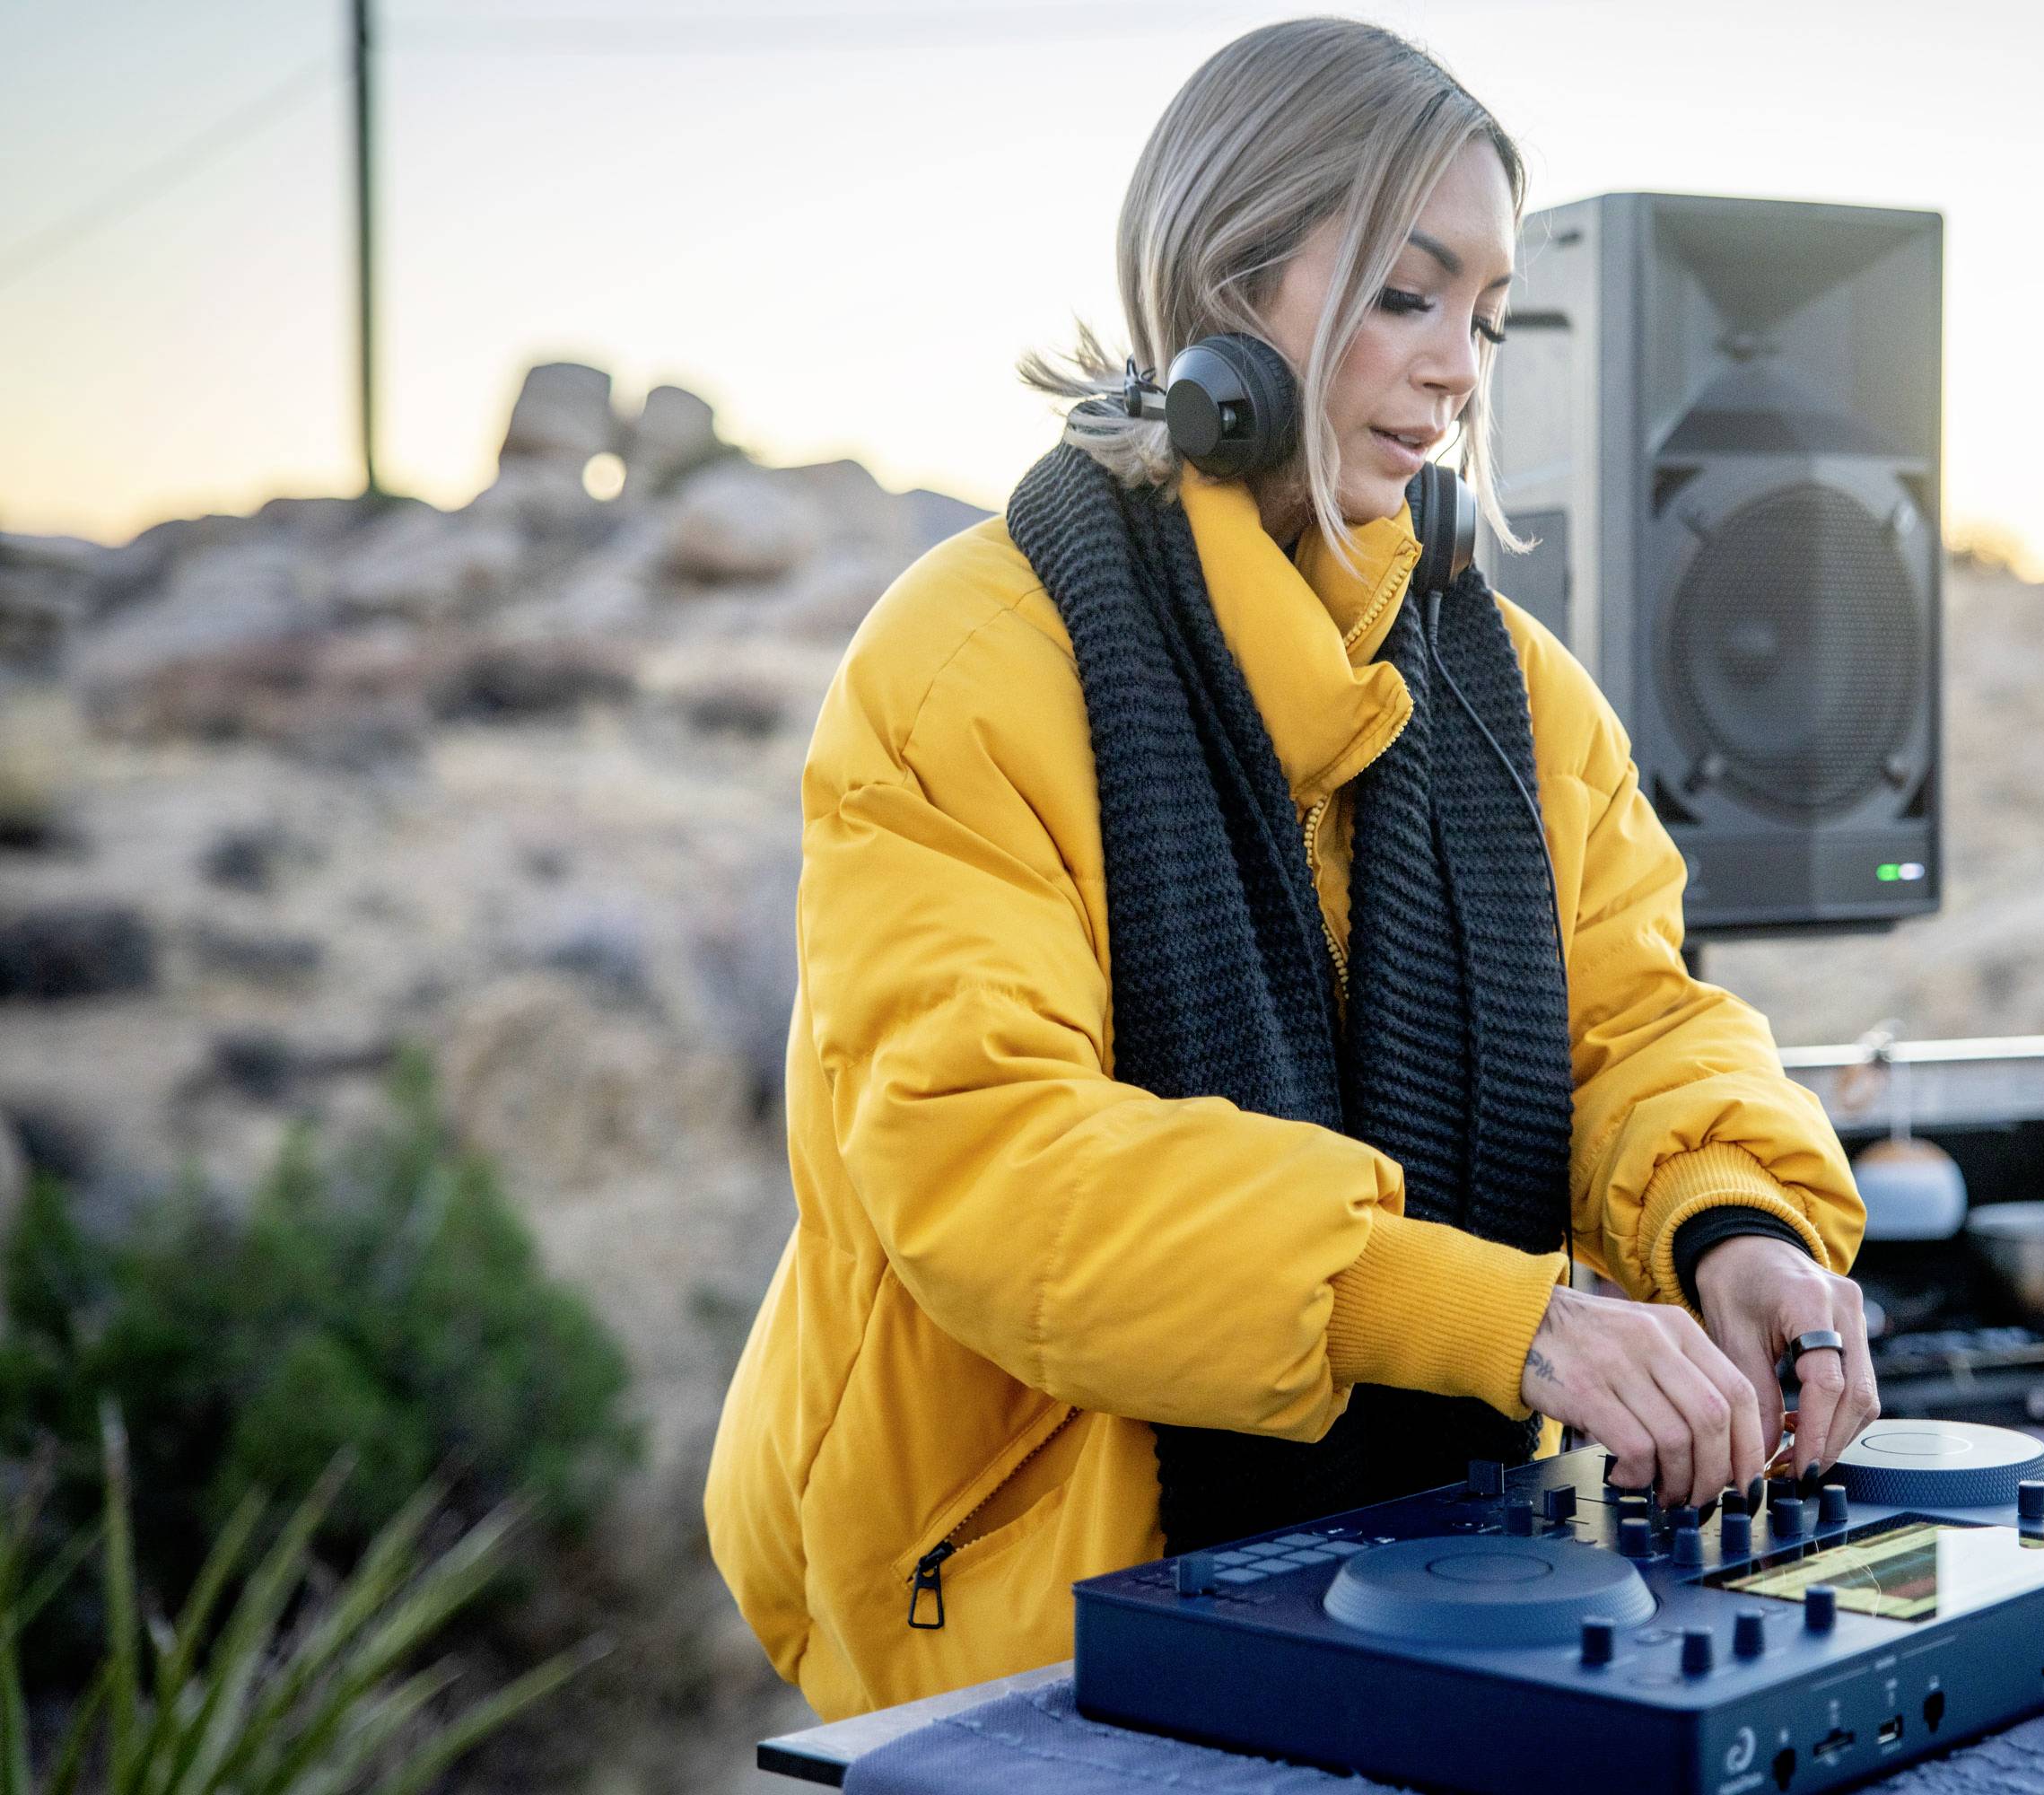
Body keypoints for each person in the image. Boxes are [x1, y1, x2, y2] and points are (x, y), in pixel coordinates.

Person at [705, 17, 1872, 1721]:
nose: (1462, 366)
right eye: (1410, 292)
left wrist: (1737, 1222)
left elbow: (1633, 1022)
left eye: (1486, 313)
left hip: (1427, 1572)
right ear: (1226, 285)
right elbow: (993, 1158)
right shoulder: (966, 663)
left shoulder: (1522, 700)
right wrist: (1501, 1321)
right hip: (1022, 1604)